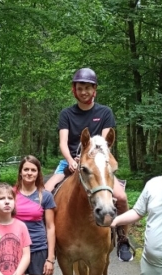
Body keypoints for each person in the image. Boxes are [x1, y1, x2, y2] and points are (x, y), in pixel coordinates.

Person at [44, 67, 134, 262]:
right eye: (80, 87)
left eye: (88, 88)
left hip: (98, 163)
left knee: (121, 197)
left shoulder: (105, 112)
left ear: (95, 90)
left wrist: (88, 159)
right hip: (70, 162)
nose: (84, 91)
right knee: (44, 195)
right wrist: (70, 160)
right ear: (74, 90)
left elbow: (103, 143)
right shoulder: (66, 114)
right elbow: (63, 142)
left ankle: (122, 238)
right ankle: (45, 241)